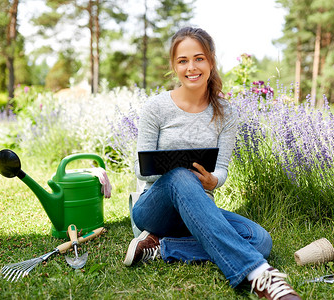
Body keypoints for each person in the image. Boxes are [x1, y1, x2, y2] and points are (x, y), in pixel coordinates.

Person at [123, 27, 301, 300]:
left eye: (199, 58)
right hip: (154, 209)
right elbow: (140, 169)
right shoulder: (156, 107)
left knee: (259, 239)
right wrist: (173, 168)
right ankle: (261, 277)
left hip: (198, 208)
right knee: (181, 176)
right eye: (183, 61)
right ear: (174, 65)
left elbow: (222, 169)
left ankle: (162, 248)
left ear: (211, 61)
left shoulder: (226, 112)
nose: (191, 67)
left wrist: (213, 180)